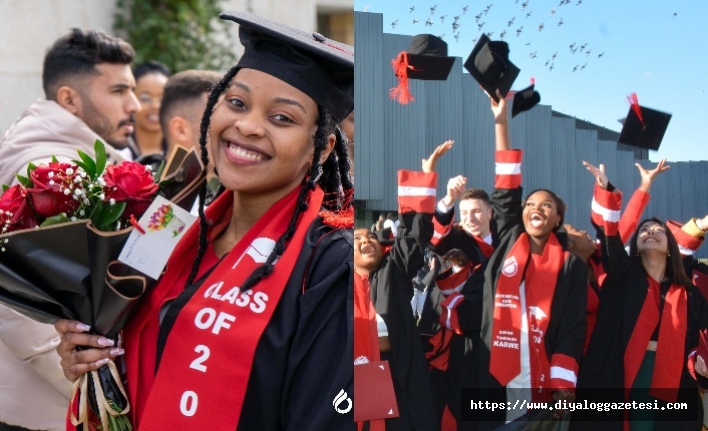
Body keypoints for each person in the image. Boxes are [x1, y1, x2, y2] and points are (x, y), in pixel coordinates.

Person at [55, 11, 354, 430]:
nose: (247, 126)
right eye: (236, 102)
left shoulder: (329, 265)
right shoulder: (169, 225)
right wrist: (91, 354)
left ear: (319, 150)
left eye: (282, 118)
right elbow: (129, 340)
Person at [0, 28, 138, 431]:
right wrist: (106, 400)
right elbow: (22, 312)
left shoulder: (64, 153)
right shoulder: (48, 172)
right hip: (46, 408)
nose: (133, 104)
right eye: (117, 91)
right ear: (68, 99)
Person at [467, 91, 587, 429]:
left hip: (541, 373)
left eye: (547, 205)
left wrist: (564, 386)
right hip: (493, 368)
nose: (537, 208)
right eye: (531, 203)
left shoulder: (570, 266)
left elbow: (571, 329)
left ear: (558, 219)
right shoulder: (508, 240)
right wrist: (500, 120)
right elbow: (506, 186)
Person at [574, 175, 708, 429]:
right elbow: (609, 236)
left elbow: (698, 332)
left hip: (674, 375)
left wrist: (699, 359)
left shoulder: (688, 287)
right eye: (645, 230)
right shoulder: (621, 276)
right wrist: (606, 192)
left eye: (659, 230)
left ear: (671, 246)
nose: (651, 232)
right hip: (623, 371)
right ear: (635, 244)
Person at [353, 141, 451, 431]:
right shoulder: (337, 283)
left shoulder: (391, 271)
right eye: (356, 240)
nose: (365, 241)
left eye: (369, 237)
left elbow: (412, 237)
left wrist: (426, 175)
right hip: (355, 373)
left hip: (397, 368)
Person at [131, 60, 171, 157]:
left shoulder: (181, 150)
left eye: (162, 98)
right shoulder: (116, 149)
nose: (156, 106)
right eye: (145, 98)